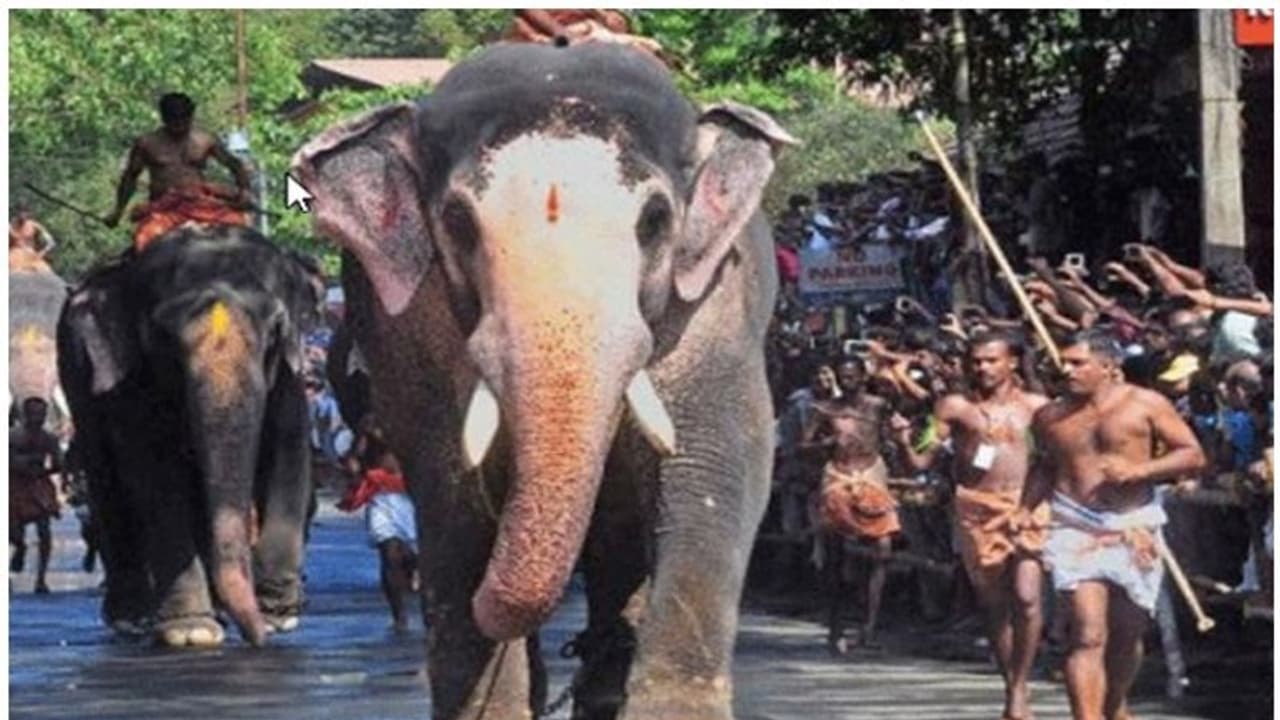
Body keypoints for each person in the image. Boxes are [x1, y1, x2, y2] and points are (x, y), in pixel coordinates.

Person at [1028, 330, 1206, 720]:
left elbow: (1193, 455)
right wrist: (1024, 510)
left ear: (1108, 367)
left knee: (1127, 636)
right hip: (1074, 524)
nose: (1066, 369)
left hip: (1133, 525)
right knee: (1087, 634)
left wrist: (1140, 470)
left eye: (1077, 362)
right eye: (1064, 361)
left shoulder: (1145, 404)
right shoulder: (1049, 416)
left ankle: (1114, 704)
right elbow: (1043, 466)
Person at [891, 331, 1048, 720]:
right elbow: (921, 462)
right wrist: (902, 440)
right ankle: (1012, 685)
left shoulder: (1038, 406)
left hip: (1028, 506)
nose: (983, 368)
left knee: (1027, 597)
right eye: (976, 361)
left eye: (992, 360)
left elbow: (1056, 456)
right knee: (995, 604)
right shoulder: (954, 407)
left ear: (1012, 362)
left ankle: (1021, 684)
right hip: (977, 509)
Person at [805, 357, 897, 654]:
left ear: (862, 376)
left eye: (853, 375)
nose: (848, 381)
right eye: (843, 376)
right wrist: (826, 442)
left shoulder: (877, 405)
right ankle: (835, 626)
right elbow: (803, 445)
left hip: (871, 473)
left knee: (882, 549)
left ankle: (869, 627)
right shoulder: (825, 409)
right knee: (836, 554)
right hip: (838, 474)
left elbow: (893, 433)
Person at [103, 92, 252, 252]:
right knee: (144, 239)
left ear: (191, 116)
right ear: (164, 118)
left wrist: (244, 192)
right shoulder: (147, 143)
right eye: (174, 120)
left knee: (241, 226)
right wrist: (118, 212)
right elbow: (130, 177)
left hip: (201, 204)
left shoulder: (205, 140)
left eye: (183, 119)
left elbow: (234, 165)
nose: (179, 124)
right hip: (164, 210)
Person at [338, 417, 419, 632]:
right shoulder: (371, 421)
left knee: (412, 555)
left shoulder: (415, 416)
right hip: (382, 496)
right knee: (389, 553)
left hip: (410, 494)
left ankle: (412, 571)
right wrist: (355, 472)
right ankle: (399, 615)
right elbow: (354, 456)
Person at [9, 397, 64, 594]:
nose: (37, 419)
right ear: (24, 415)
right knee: (12, 532)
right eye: (32, 414)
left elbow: (58, 463)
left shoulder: (48, 438)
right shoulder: (12, 436)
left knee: (44, 530)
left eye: (41, 415)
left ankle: (41, 578)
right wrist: (19, 464)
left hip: (38, 484)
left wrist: (46, 471)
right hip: (14, 485)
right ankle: (20, 547)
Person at [9, 205, 56, 272]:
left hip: (31, 256)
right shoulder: (11, 226)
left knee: (45, 270)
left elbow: (51, 242)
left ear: (28, 213)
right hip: (14, 256)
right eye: (20, 211)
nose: (22, 214)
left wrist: (43, 252)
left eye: (25, 212)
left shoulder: (34, 225)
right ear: (16, 213)